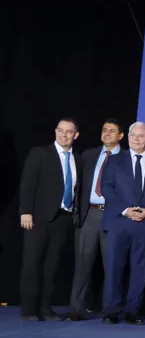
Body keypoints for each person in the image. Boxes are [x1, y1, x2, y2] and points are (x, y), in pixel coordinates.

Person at [101, 121, 145, 325]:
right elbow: (107, 188)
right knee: (114, 268)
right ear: (128, 137)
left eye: (141, 136)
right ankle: (111, 311)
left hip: (144, 224)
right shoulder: (114, 161)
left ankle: (133, 311)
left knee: (140, 270)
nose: (136, 139)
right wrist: (125, 210)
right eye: (133, 135)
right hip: (119, 222)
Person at [18, 118, 84, 321]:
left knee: (52, 266)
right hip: (38, 218)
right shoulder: (40, 153)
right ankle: (29, 310)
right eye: (60, 130)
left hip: (63, 218)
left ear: (76, 135)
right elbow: (28, 183)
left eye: (68, 132)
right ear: (55, 132)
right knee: (32, 263)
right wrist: (26, 211)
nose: (64, 135)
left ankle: (46, 308)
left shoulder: (78, 160)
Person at [70, 119, 124, 321]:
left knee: (112, 263)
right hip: (90, 214)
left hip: (113, 215)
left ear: (121, 136)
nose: (107, 133)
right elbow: (79, 186)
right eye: (104, 130)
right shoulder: (88, 155)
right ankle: (78, 307)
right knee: (83, 262)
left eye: (112, 131)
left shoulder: (126, 158)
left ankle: (111, 308)